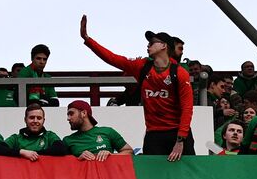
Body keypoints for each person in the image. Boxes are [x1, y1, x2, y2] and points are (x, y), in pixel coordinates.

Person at [80, 15, 194, 160]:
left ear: (164, 46)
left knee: (188, 175)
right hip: (153, 134)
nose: (148, 45)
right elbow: (113, 58)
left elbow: (187, 109)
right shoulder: (142, 66)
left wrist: (180, 140)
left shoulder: (179, 73)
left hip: (177, 133)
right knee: (151, 178)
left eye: (152, 42)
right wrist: (88, 39)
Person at [61, 99, 130, 160]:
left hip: (107, 174)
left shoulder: (108, 131)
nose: (68, 118)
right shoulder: (67, 140)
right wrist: (77, 159)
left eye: (71, 114)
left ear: (84, 113)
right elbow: (63, 165)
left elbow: (129, 151)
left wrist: (111, 156)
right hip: (83, 174)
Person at [0, 105, 67, 160]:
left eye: (39, 118)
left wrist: (33, 154)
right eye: (32, 117)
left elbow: (61, 149)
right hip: (22, 175)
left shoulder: (49, 136)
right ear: (25, 120)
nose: (35, 121)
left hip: (44, 175)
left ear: (43, 120)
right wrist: (21, 152)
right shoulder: (16, 138)